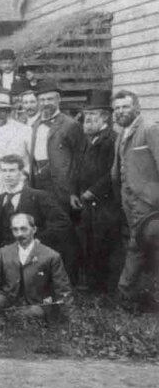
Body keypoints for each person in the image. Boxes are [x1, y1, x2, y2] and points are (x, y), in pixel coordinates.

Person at [0, 213, 72, 325]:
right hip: (9, 296)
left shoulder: (51, 256)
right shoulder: (4, 252)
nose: (19, 234)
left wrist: (66, 316)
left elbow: (62, 288)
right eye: (15, 229)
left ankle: (13, 317)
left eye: (23, 229)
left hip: (38, 300)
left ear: (34, 230)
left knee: (32, 314)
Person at [112, 90, 159, 308]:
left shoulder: (149, 129)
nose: (120, 111)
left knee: (138, 246)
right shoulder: (122, 133)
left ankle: (125, 293)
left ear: (137, 108)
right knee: (139, 243)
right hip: (128, 201)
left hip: (148, 202)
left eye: (125, 107)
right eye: (117, 108)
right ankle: (136, 293)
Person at [72, 90, 120, 293]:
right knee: (88, 240)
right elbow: (78, 169)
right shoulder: (86, 139)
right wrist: (75, 192)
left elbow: (113, 172)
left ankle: (106, 288)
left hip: (105, 203)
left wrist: (93, 191)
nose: (88, 118)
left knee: (104, 243)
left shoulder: (112, 140)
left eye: (94, 114)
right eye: (86, 114)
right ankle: (92, 284)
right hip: (85, 201)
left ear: (106, 117)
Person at [28, 84, 84, 212]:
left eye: (50, 99)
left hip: (61, 184)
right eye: (42, 100)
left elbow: (79, 160)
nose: (45, 103)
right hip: (37, 181)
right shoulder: (34, 125)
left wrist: (74, 191)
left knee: (63, 220)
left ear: (59, 100)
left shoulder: (71, 125)